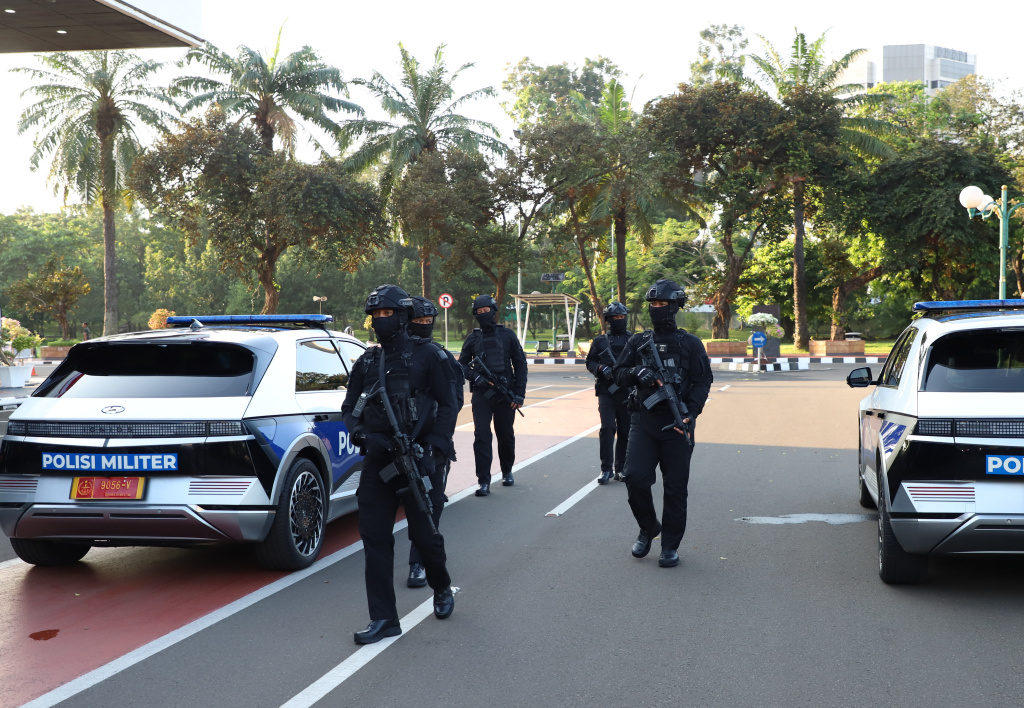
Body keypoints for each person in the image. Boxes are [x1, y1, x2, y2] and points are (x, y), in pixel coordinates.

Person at [341, 284, 457, 644]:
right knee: (374, 539)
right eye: (374, 316)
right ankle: (384, 618)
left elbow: (449, 405)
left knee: (425, 538)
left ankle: (440, 586)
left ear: (403, 316)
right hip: (378, 462)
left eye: (387, 314)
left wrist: (435, 448)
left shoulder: (429, 356)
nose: (380, 321)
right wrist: (363, 436)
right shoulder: (367, 360)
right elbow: (348, 410)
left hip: (419, 461)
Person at [612, 279, 712, 568]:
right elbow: (618, 374)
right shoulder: (638, 342)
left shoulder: (691, 344)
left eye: (662, 304)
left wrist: (691, 412)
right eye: (653, 304)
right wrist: (637, 372)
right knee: (634, 477)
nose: (657, 309)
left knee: (676, 488)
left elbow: (703, 380)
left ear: (675, 306)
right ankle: (648, 527)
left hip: (678, 424)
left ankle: (669, 546)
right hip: (643, 422)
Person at [404, 295, 464, 589]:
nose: (424, 326)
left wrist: (439, 438)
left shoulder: (440, 356)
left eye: (429, 322)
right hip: (397, 442)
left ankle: (419, 562)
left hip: (432, 442)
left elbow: (455, 400)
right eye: (419, 322)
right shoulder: (391, 356)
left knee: (429, 503)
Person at [458, 294, 527, 497]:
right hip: (481, 395)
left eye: (486, 311)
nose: (482, 315)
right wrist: (475, 377)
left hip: (505, 393)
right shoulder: (472, 339)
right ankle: (483, 481)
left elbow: (520, 364)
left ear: (494, 312)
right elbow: (460, 365)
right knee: (481, 435)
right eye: (478, 312)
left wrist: (519, 395)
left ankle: (506, 471)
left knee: (505, 435)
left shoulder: (508, 336)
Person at [585, 301, 633, 484]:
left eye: (622, 317)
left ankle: (620, 468)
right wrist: (600, 368)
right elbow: (589, 362)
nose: (619, 320)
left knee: (625, 431)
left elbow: (641, 361)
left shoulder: (632, 339)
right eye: (616, 317)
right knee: (607, 428)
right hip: (606, 391)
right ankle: (606, 469)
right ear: (609, 320)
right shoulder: (600, 341)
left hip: (627, 391)